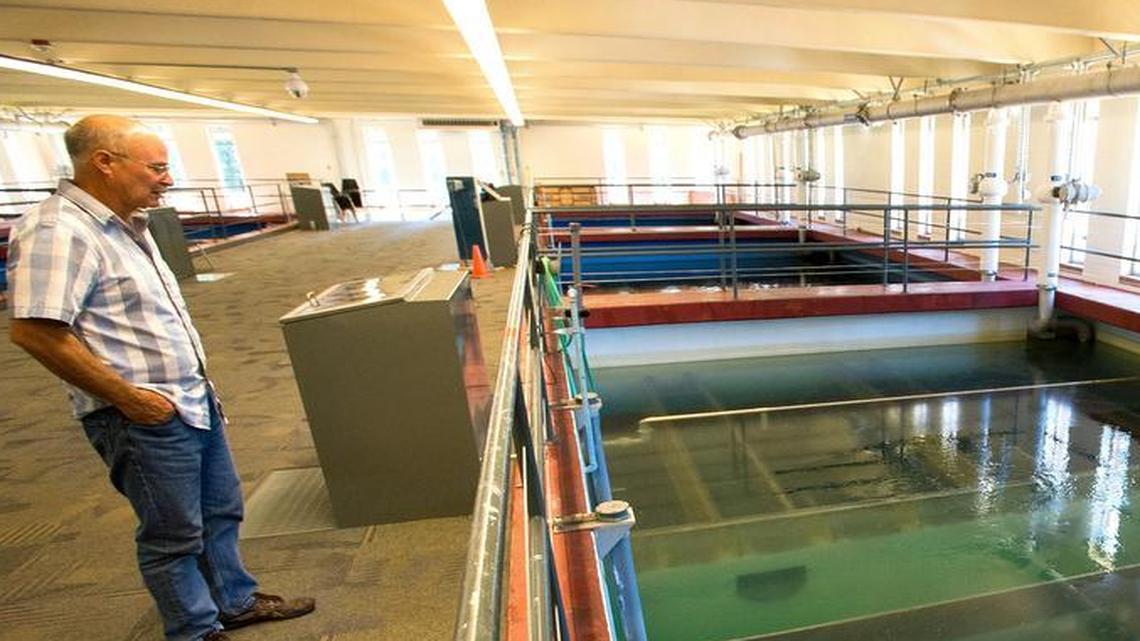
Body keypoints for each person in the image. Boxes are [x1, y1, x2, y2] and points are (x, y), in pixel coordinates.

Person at [7, 115, 315, 641]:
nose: (167, 178)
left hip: (192, 401)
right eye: (157, 167)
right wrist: (130, 399)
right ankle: (195, 629)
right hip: (141, 414)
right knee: (173, 535)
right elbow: (35, 332)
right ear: (104, 163)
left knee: (220, 511)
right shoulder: (60, 230)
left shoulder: (128, 227)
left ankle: (233, 601)